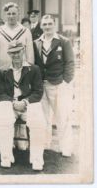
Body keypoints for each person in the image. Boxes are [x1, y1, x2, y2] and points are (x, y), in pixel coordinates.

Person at [0, 41, 46, 170]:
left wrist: (24, 102)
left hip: (27, 104)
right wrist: (13, 103)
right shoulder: (2, 71)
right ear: (8, 54)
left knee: (38, 121)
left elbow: (38, 92)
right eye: (12, 53)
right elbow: (0, 93)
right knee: (3, 116)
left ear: (23, 51)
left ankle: (37, 159)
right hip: (10, 104)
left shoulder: (33, 69)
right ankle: (6, 157)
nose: (16, 55)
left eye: (18, 51)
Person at [33, 14, 75, 156]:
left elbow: (70, 63)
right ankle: (45, 144)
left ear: (54, 24)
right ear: (41, 26)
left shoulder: (63, 41)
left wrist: (66, 81)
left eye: (50, 24)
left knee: (62, 116)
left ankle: (66, 147)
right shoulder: (36, 42)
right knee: (43, 116)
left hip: (58, 84)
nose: (47, 27)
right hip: (41, 84)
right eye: (44, 24)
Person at [0, 2, 34, 70]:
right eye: (8, 14)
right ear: (4, 15)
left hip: (21, 71)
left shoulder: (26, 31)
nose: (11, 16)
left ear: (18, 14)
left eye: (14, 13)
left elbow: (30, 55)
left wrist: (30, 70)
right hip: (2, 70)